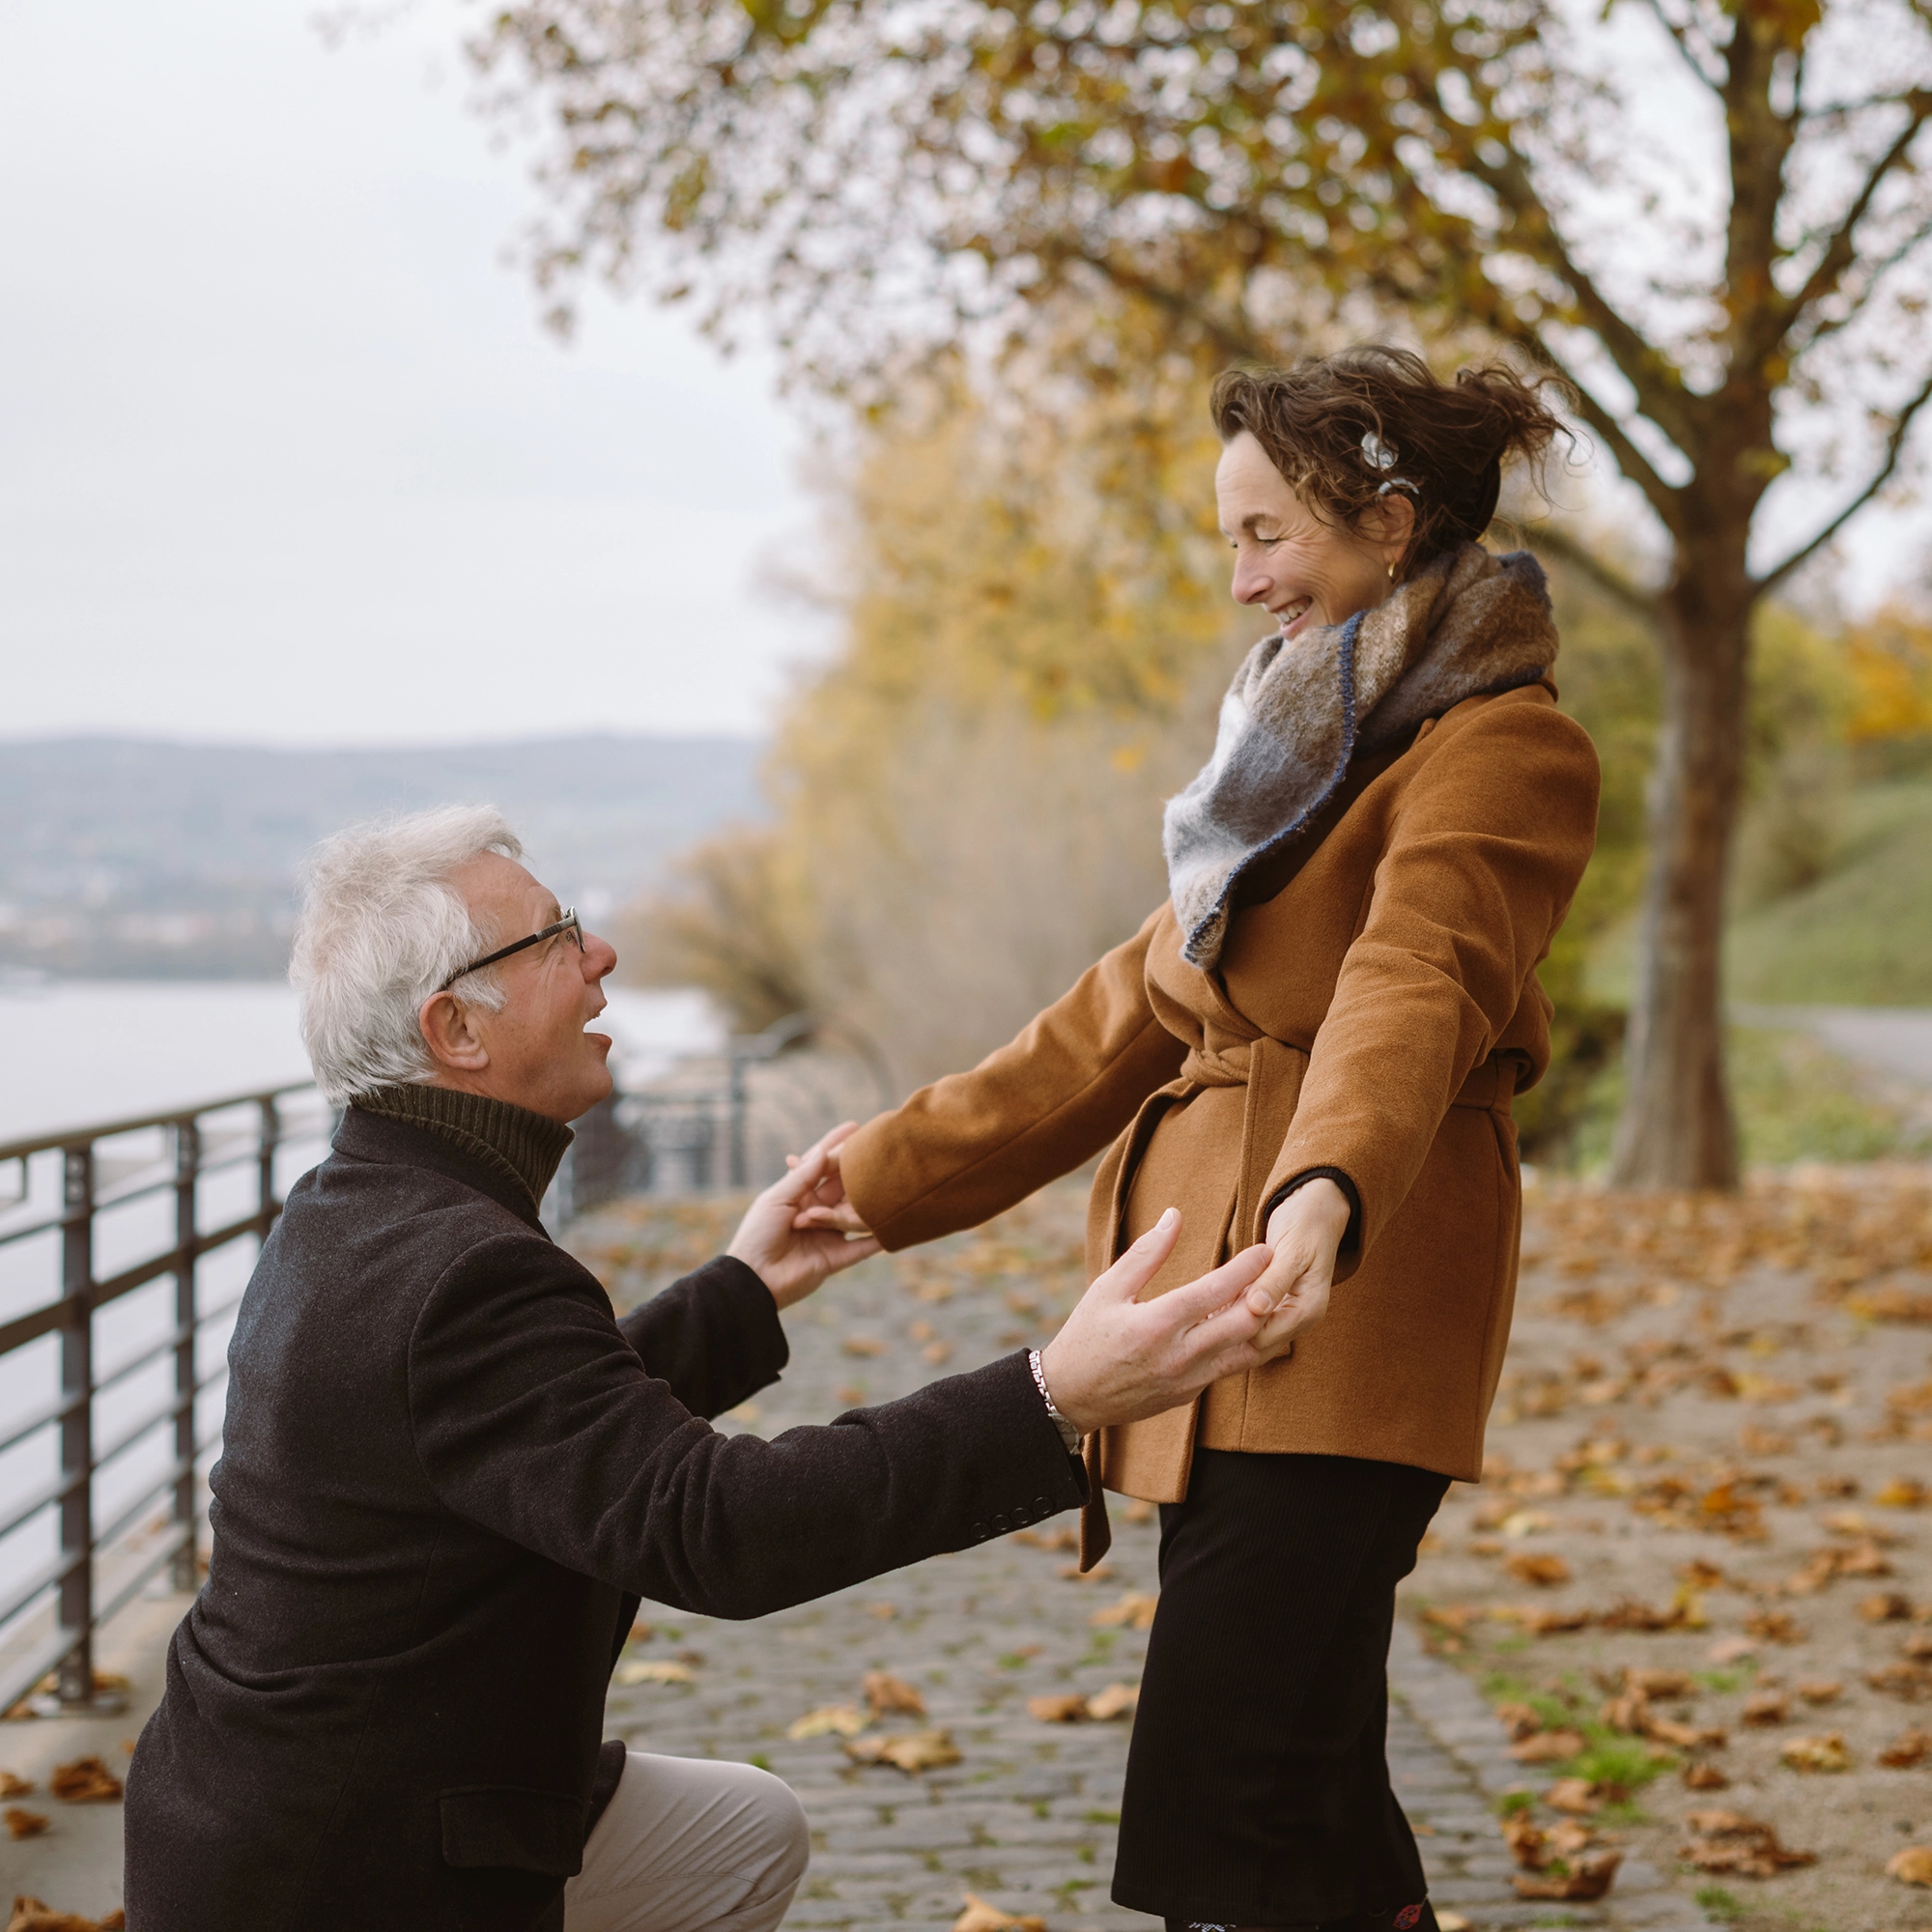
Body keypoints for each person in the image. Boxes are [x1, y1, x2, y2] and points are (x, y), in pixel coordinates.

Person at [123, 805, 1296, 1932]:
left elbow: (550, 1429)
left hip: (264, 1815)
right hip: (344, 1874)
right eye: (554, 938)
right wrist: (1053, 1394)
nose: (603, 953)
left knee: (742, 1831)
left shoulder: (366, 1207)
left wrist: (746, 1285)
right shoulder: (452, 1265)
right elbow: (718, 1525)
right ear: (456, 1031)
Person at [794, 346, 1603, 1932]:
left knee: (1218, 1807)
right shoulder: (1289, 754)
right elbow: (1123, 1011)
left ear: (1389, 522)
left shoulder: (1499, 746)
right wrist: (881, 1177)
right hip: (1219, 1330)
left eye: (1267, 536)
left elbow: (1418, 967)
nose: (1239, 582)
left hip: (1341, 1309)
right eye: (1227, 539)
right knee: (1308, 1798)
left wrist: (1320, 1193)